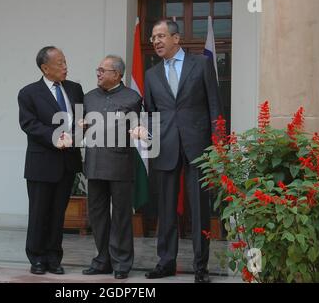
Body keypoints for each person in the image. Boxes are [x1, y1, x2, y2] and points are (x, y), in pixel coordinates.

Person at [133, 20, 223, 283]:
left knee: (199, 209)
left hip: (198, 145)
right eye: (153, 38)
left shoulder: (202, 64)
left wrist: (218, 144)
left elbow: (215, 104)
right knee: (166, 208)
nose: (156, 41)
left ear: (176, 38)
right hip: (166, 146)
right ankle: (166, 262)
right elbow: (149, 113)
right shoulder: (151, 75)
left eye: (161, 36)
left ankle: (200, 267)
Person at [18, 46, 84, 275]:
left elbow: (81, 119)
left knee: (58, 214)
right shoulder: (28, 93)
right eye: (59, 63)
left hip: (67, 164)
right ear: (45, 68)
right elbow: (29, 124)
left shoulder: (75, 89)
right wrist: (56, 137)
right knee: (39, 213)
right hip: (42, 163)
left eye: (65, 61)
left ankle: (54, 258)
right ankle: (36, 258)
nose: (65, 67)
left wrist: (80, 130)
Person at [81, 55, 142, 280]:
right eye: (97, 69)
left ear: (117, 74)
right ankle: (102, 260)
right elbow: (83, 130)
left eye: (102, 70)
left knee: (121, 216)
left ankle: (122, 263)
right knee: (97, 215)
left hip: (120, 165)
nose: (98, 73)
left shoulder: (133, 98)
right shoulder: (88, 98)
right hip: (94, 164)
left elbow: (139, 128)